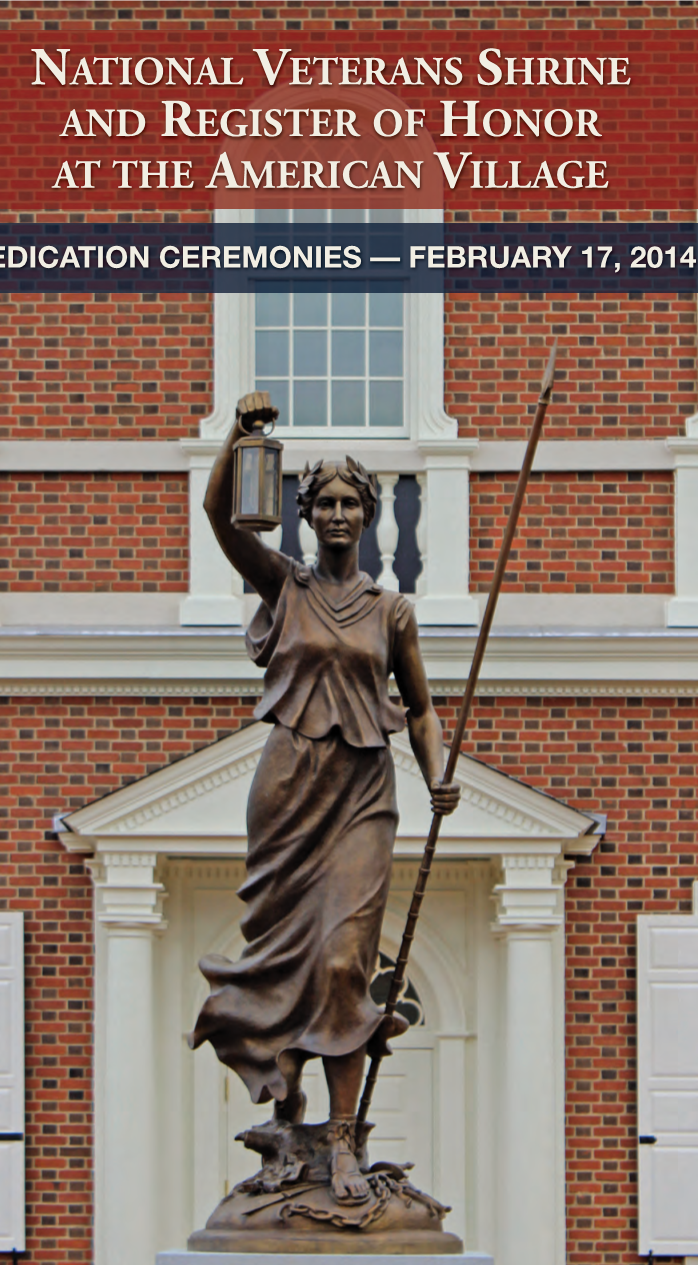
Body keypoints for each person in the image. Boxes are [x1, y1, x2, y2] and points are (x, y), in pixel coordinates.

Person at [190, 391, 459, 1205]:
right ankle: (290, 1115)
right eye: (326, 504)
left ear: (368, 515)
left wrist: (439, 770)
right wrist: (240, 439)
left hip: (363, 791)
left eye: (352, 503)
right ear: (306, 515)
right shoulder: (285, 587)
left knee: (345, 961)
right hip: (289, 787)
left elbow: (420, 707)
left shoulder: (392, 613)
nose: (339, 514)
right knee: (282, 960)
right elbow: (220, 517)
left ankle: (343, 1142)